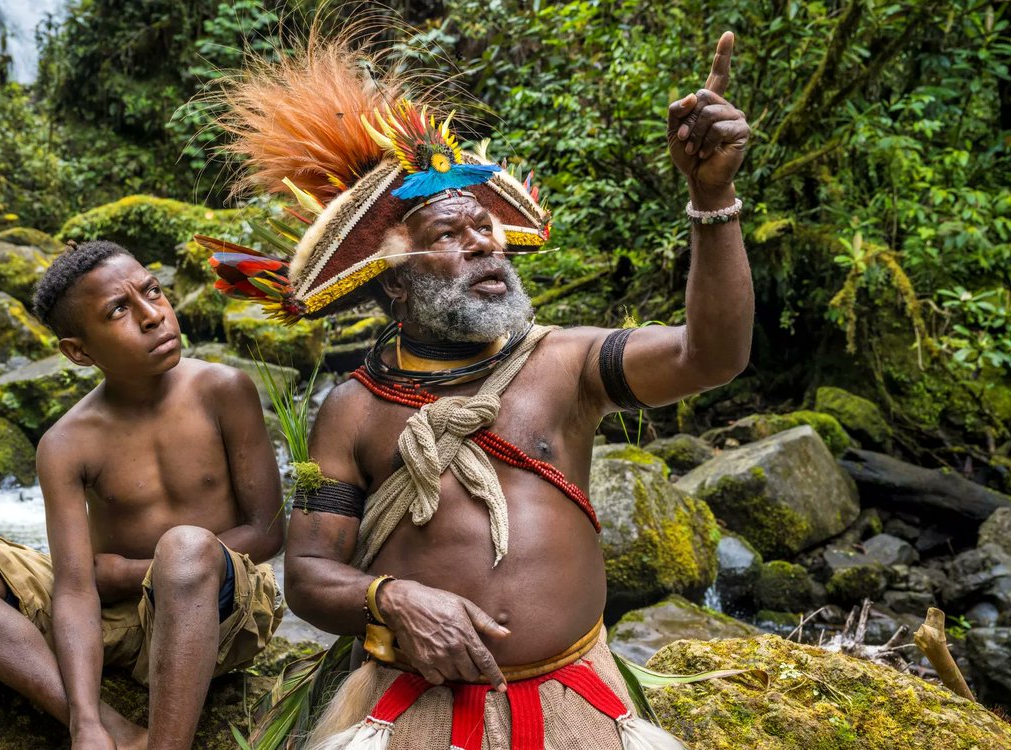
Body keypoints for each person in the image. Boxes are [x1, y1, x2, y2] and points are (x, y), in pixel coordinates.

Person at [197, 30, 750, 750]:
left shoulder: (569, 362)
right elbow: (305, 574)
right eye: (453, 235)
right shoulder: (352, 409)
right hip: (406, 701)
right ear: (396, 279)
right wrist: (389, 598)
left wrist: (713, 196)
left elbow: (709, 356)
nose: (487, 243)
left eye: (487, 228)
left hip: (576, 697)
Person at [0, 240, 285, 750]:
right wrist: (83, 719)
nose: (154, 316)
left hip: (216, 614)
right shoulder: (66, 443)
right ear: (78, 352)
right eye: (119, 310)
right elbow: (77, 588)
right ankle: (112, 728)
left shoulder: (224, 389)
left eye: (152, 291)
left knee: (186, 546)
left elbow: (268, 531)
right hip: (116, 622)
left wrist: (132, 571)